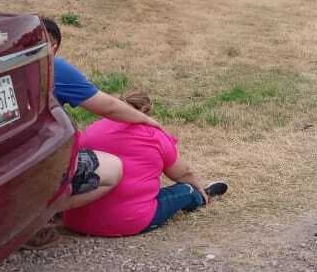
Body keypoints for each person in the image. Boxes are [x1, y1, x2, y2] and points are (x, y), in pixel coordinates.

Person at [24, 18, 164, 248]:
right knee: (112, 169)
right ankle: (38, 218)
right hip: (39, 163)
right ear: (53, 47)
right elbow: (106, 106)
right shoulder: (53, 68)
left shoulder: (0, 70)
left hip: (2, 163)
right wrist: (146, 120)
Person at [63, 90, 229, 237]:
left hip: (76, 220)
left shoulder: (92, 129)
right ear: (146, 112)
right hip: (129, 221)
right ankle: (201, 196)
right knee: (185, 189)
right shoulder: (153, 135)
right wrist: (197, 185)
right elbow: (183, 173)